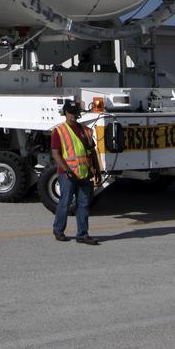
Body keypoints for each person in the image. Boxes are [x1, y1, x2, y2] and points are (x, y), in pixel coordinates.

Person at [51, 100, 102, 245]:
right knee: (65, 203)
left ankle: (83, 235)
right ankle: (58, 230)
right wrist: (67, 171)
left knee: (84, 205)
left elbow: (92, 152)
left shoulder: (86, 131)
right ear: (65, 113)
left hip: (84, 174)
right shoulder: (59, 131)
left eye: (75, 112)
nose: (73, 115)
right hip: (67, 175)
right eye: (70, 112)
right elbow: (56, 153)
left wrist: (97, 170)